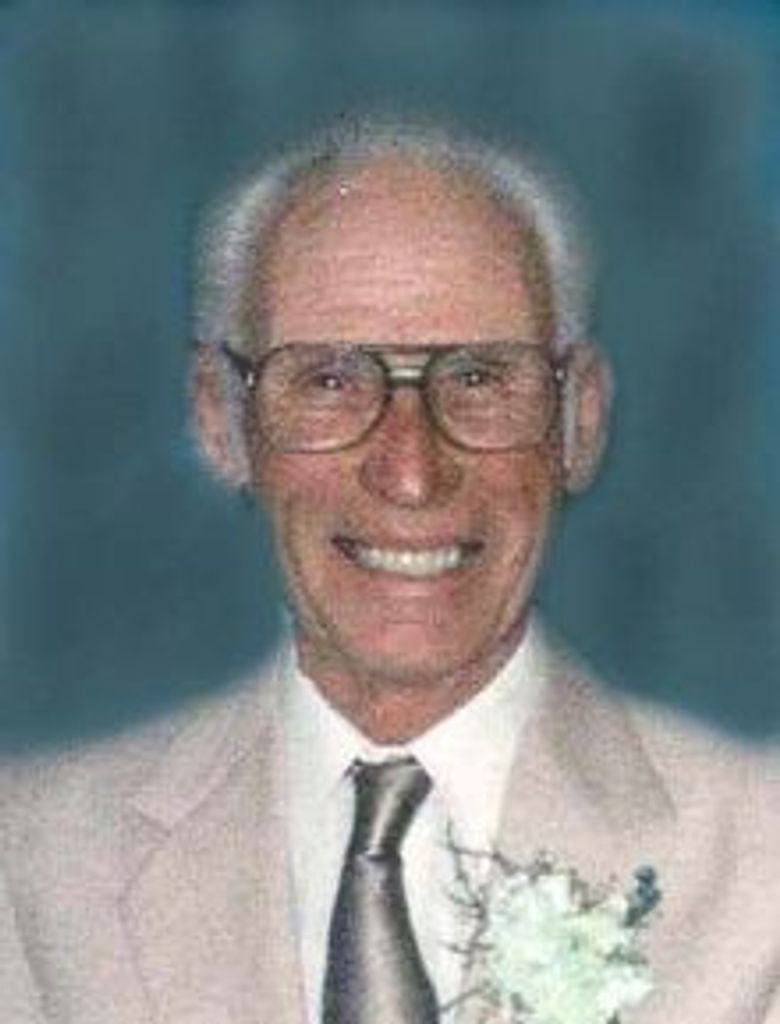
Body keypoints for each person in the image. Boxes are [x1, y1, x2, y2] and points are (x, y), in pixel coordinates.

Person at [1, 118, 778, 1024]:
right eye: (330, 380)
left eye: (480, 378)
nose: (411, 470)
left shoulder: (761, 867)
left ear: (580, 420)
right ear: (220, 422)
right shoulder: (35, 865)